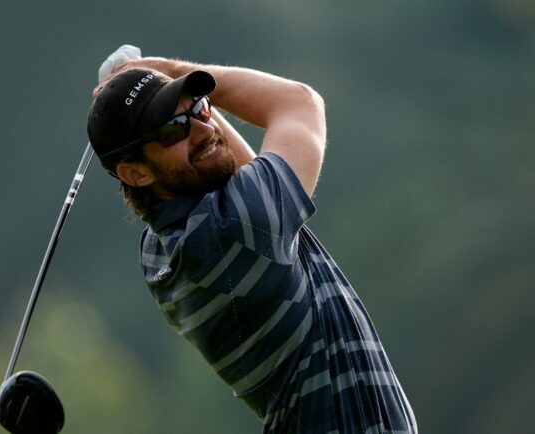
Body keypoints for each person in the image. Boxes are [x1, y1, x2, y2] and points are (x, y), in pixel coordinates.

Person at [86, 49, 417, 434]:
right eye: (174, 129)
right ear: (135, 173)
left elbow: (233, 167)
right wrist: (175, 70)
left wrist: (181, 107)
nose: (205, 130)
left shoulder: (159, 250)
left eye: (200, 109)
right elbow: (299, 102)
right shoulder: (236, 227)